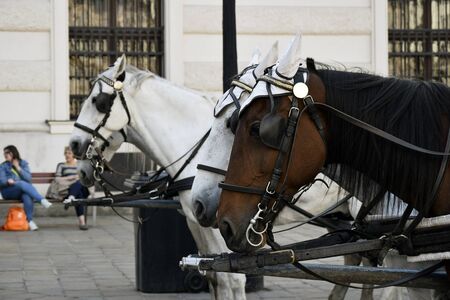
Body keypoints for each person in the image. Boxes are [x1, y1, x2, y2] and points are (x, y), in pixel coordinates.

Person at [0, 145, 52, 231]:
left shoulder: (23, 163)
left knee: (26, 195)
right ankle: (41, 199)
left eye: (7, 152)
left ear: (14, 153)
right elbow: (1, 181)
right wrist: (8, 181)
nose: (5, 155)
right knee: (21, 183)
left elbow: (28, 178)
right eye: (4, 153)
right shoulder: (3, 166)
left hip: (21, 190)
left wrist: (18, 167)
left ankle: (30, 221)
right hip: (8, 191)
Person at [54, 146, 91, 230]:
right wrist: (71, 177)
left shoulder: (80, 165)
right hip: (68, 190)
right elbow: (57, 179)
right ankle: (82, 222)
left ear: (74, 155)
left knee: (79, 182)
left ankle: (71, 198)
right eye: (66, 153)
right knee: (79, 196)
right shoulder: (61, 165)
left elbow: (86, 178)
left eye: (69, 153)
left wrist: (78, 178)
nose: (67, 155)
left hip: (83, 188)